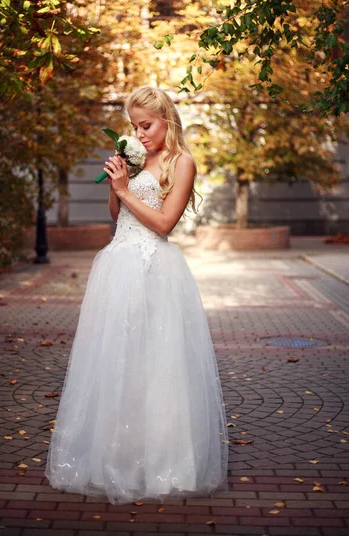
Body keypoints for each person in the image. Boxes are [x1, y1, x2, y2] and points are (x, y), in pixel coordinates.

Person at [44, 86, 229, 504]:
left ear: (167, 119)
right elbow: (117, 216)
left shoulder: (182, 163)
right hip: (117, 266)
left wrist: (127, 189)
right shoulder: (136, 157)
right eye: (133, 126)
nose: (139, 134)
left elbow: (164, 223)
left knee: (157, 362)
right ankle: (117, 458)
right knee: (115, 360)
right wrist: (118, 182)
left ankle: (164, 461)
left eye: (146, 125)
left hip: (155, 270)